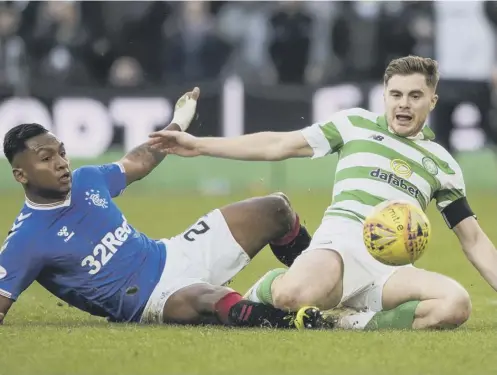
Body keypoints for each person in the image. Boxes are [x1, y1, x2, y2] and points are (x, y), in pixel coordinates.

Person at [148, 56, 497, 330]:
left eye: (415, 96)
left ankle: (344, 322)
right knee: (291, 295)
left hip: (391, 269)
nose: (403, 104)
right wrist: (199, 145)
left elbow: (474, 241)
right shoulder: (354, 124)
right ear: (385, 95)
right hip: (340, 248)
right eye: (396, 94)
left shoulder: (444, 164)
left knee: (455, 304)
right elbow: (278, 144)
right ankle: (260, 293)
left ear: (432, 101)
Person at [0, 87, 324, 330]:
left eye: (62, 152)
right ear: (20, 174)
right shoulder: (26, 239)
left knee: (275, 208)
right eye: (46, 158)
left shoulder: (87, 180)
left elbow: (135, 162)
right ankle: (298, 321)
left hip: (173, 253)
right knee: (211, 301)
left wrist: (176, 125)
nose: (60, 163)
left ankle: (324, 284)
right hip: (151, 298)